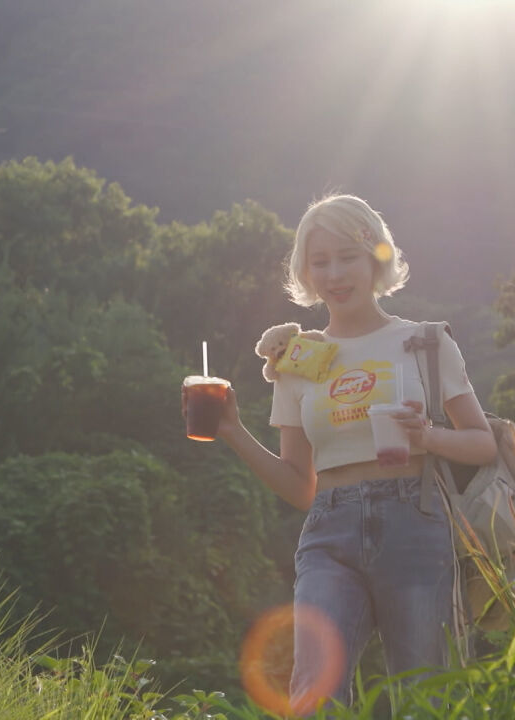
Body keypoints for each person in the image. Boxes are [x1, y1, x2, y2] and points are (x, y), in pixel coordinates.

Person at [195, 194, 497, 713]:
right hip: (329, 532)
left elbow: (483, 442)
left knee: (427, 695)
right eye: (320, 262)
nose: (334, 273)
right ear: (306, 274)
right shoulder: (298, 360)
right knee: (312, 693)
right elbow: (299, 484)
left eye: (347, 257)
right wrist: (234, 432)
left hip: (416, 520)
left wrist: (426, 437)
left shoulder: (423, 343)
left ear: (375, 259)